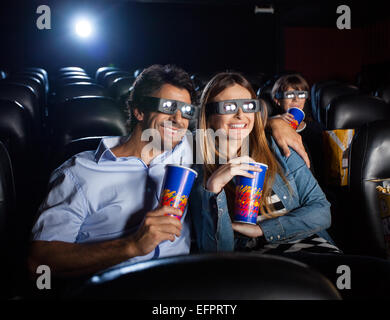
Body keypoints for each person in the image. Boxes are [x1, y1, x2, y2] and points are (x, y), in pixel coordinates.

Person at [28, 65, 312, 280]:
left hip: (185, 283)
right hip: (114, 286)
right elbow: (39, 261)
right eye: (167, 108)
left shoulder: (193, 149)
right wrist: (130, 246)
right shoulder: (80, 173)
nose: (178, 119)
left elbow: (238, 125)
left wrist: (276, 124)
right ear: (138, 110)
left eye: (186, 111)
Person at [190, 72, 340, 255]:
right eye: (228, 107)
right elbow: (217, 252)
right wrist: (214, 187)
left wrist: (263, 230)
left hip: (313, 249)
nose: (240, 115)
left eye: (248, 106)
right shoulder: (197, 167)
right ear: (209, 115)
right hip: (260, 266)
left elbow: (322, 211)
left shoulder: (278, 147)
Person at [271, 74, 324, 183]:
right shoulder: (269, 128)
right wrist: (270, 122)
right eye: (289, 95)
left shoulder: (316, 130)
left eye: (301, 94)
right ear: (277, 100)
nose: (296, 99)